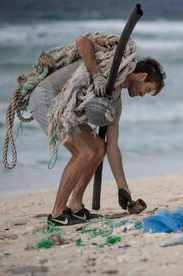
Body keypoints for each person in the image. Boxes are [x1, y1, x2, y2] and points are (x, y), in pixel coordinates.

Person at [28, 35, 166, 226]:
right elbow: (82, 41)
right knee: (82, 152)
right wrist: (97, 75)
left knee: (98, 147)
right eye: (147, 90)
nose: (144, 95)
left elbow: (113, 147)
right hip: (46, 98)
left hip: (64, 110)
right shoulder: (112, 63)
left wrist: (123, 188)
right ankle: (57, 213)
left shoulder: (115, 102)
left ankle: (75, 206)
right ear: (142, 76)